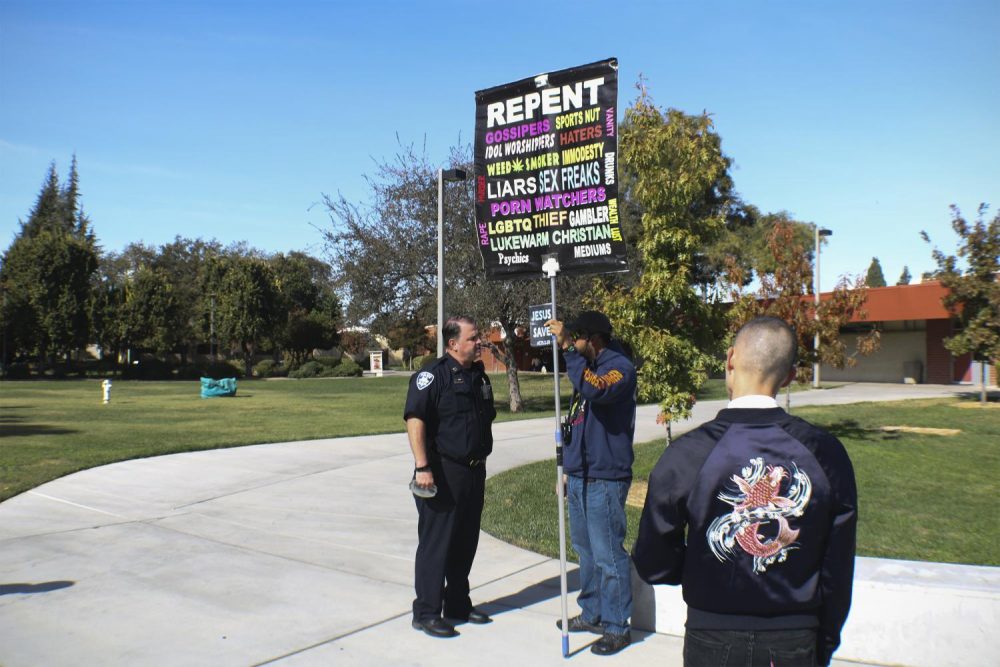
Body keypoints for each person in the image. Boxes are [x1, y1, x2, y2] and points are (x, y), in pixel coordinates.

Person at [632, 316, 857, 666]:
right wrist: (823, 643)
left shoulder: (687, 454)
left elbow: (653, 562)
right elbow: (837, 569)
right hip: (796, 639)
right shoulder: (826, 454)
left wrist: (697, 569)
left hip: (711, 637)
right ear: (790, 377)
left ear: (730, 359)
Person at [545, 310, 637, 656]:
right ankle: (592, 612)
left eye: (576, 338)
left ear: (593, 340)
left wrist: (568, 349)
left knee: (608, 554)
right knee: (585, 551)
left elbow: (595, 391)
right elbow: (577, 421)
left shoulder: (619, 368)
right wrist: (567, 470)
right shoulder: (588, 366)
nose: (571, 343)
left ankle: (617, 626)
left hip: (606, 476)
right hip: (581, 472)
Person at [404, 316, 497, 638]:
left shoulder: (478, 376)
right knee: (437, 544)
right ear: (453, 343)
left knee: (465, 541)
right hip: (442, 471)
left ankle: (457, 603)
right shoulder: (432, 376)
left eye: (479, 338)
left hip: (473, 470)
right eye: (473, 339)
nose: (479, 343)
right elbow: (415, 420)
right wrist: (422, 467)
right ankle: (427, 611)